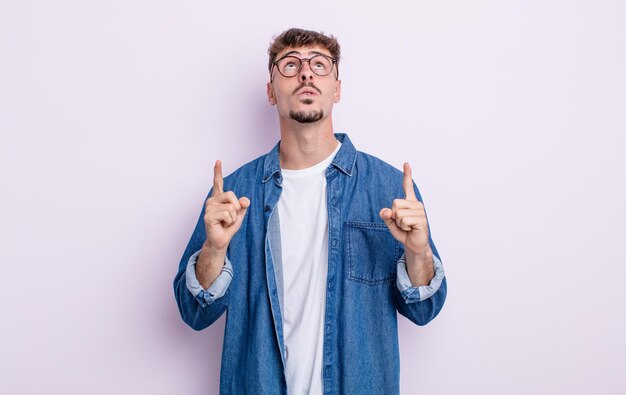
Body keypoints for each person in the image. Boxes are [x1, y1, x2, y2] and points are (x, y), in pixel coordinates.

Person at [173, 28, 447, 394]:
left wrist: (419, 253)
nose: (305, 73)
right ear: (271, 91)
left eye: (319, 64)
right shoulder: (233, 196)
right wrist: (214, 250)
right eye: (290, 65)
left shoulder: (389, 189)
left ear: (337, 87)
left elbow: (423, 312)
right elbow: (194, 314)